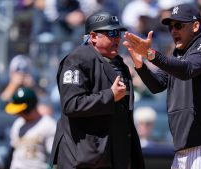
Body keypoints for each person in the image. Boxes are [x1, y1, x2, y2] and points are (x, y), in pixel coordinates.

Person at [123, 3, 201, 169]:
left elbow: (187, 70)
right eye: (171, 27)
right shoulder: (178, 54)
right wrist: (139, 64)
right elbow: (158, 85)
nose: (173, 31)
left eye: (179, 25)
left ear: (195, 26)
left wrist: (150, 54)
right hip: (183, 145)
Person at [49, 11, 145, 169]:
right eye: (112, 33)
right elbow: (71, 104)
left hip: (111, 157)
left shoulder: (118, 63)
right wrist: (110, 95)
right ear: (93, 37)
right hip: (82, 158)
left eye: (119, 33)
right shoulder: (77, 59)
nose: (117, 38)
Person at [3, 87, 56, 169]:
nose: (17, 113)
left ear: (29, 108)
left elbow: (55, 158)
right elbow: (12, 153)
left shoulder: (48, 125)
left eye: (20, 111)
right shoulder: (18, 123)